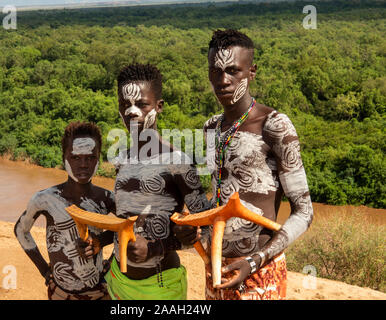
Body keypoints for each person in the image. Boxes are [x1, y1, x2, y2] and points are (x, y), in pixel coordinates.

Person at [202, 29, 313, 300]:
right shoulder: (210, 128)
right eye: (215, 71)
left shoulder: (274, 125)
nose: (223, 80)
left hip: (259, 270)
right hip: (215, 269)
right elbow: (218, 198)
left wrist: (255, 261)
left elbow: (305, 211)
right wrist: (197, 232)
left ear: (251, 72)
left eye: (233, 71)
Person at [103, 63, 211, 300]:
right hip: (117, 282)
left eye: (142, 104)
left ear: (159, 106)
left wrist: (157, 248)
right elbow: (124, 220)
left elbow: (207, 228)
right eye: (125, 105)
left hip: (160, 287)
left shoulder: (178, 162)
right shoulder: (121, 159)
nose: (132, 112)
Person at [14, 121, 115, 300]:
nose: (83, 164)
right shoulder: (45, 199)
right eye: (75, 157)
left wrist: (104, 248)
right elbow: (21, 230)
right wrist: (44, 270)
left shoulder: (106, 199)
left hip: (100, 291)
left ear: (99, 159)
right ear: (64, 158)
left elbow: (130, 229)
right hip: (60, 293)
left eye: (90, 157)